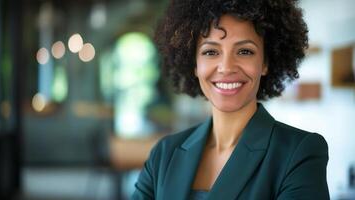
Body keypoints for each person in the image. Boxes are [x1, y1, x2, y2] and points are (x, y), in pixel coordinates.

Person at [132, 0, 330, 199]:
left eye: (245, 51)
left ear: (265, 63)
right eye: (211, 52)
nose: (226, 67)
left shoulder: (299, 152)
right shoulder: (164, 154)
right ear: (195, 65)